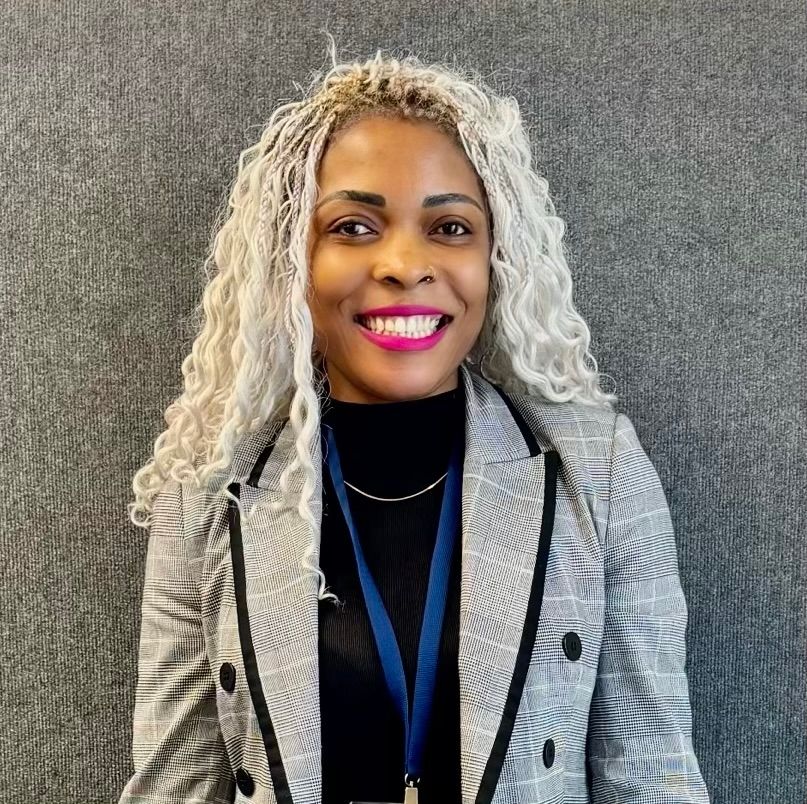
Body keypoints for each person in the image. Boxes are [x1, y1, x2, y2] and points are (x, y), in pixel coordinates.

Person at [119, 38, 710, 804]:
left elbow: (653, 776)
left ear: (496, 259)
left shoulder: (594, 473)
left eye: (449, 227)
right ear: (290, 261)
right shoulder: (207, 493)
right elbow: (173, 786)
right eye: (354, 228)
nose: (403, 262)